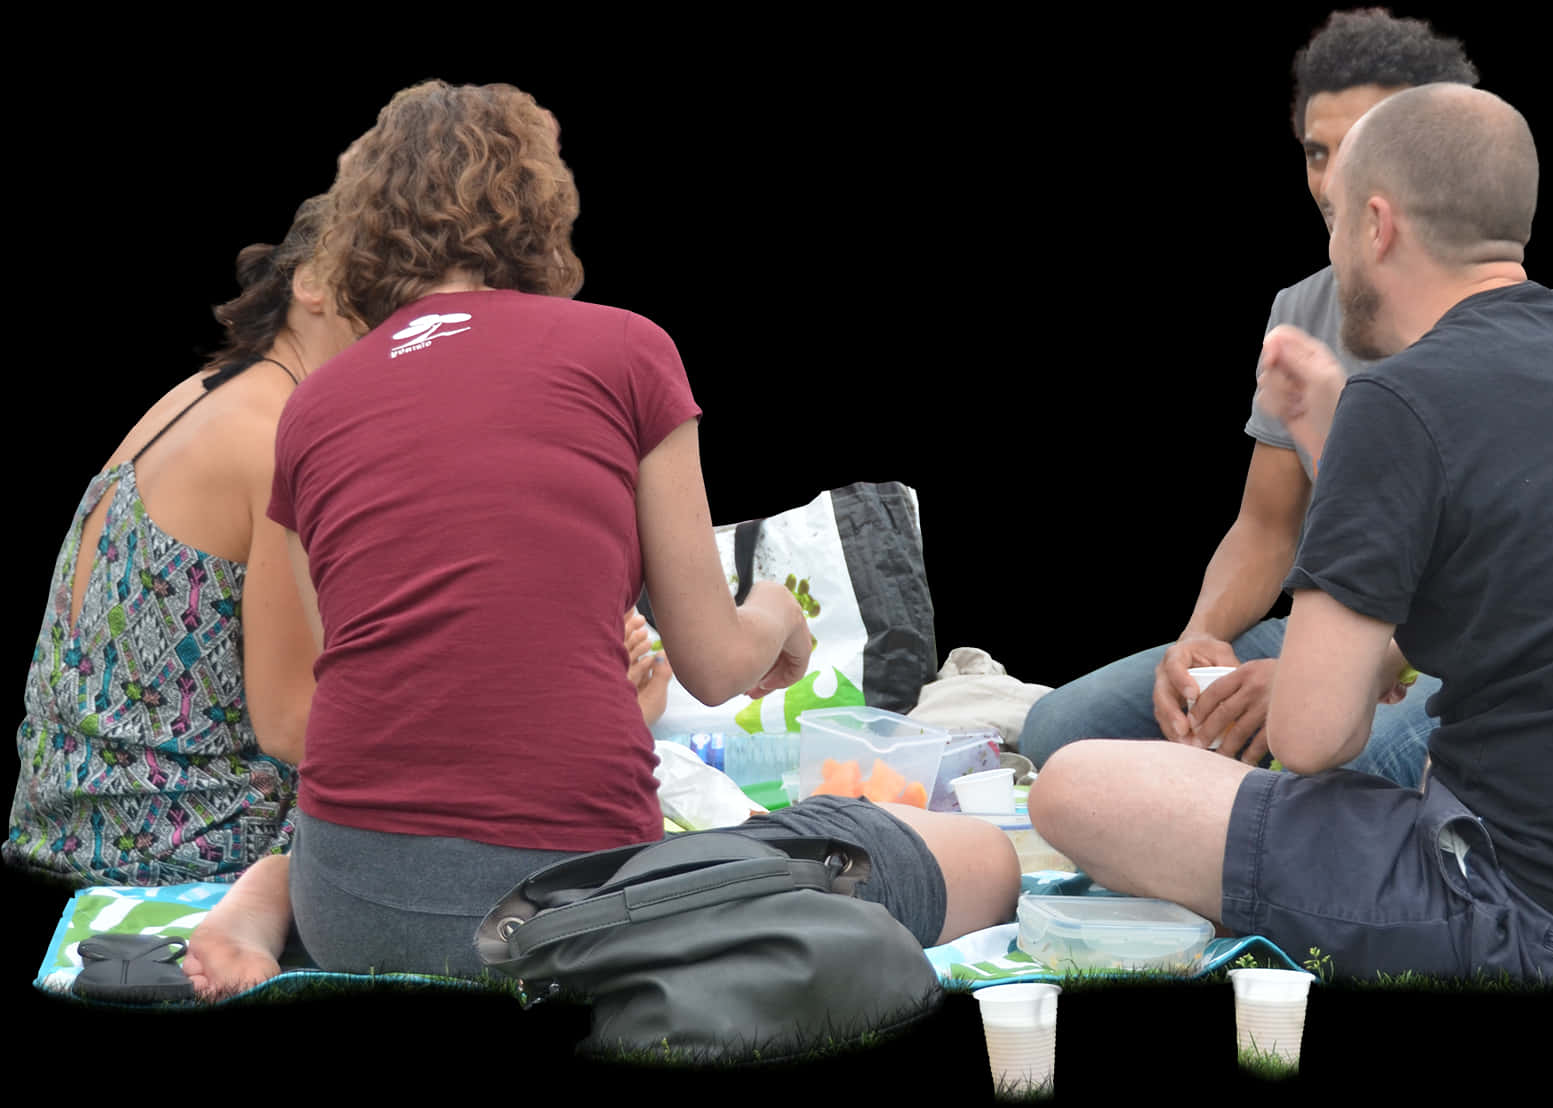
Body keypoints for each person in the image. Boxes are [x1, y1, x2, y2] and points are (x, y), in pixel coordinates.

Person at [184, 79, 1018, 998]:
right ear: (541, 214)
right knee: (984, 858)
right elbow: (711, 664)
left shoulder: (311, 408)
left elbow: (368, 670)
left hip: (353, 905)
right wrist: (774, 611)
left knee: (357, 833)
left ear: (362, 235)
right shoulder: (625, 351)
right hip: (573, 911)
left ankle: (260, 909)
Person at [1029, 84, 1553, 981]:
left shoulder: (1400, 397)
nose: (1328, 251)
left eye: (1334, 220)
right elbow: (1508, 574)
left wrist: (1349, 432)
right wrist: (1340, 431)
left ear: (1376, 226)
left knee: (1075, 783)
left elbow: (1311, 739)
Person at [1016, 9, 1477, 782]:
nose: (1331, 182)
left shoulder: (1490, 322)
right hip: (1319, 635)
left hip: (1440, 651)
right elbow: (1268, 526)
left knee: (1351, 778)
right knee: (1061, 728)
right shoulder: (1302, 308)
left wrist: (1330, 679)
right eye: (1316, 152)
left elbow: (1485, 583)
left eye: (1357, 149)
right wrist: (1197, 640)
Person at [4, 196, 351, 887]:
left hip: (76, 824)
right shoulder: (282, 436)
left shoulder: (204, 393)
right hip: (185, 844)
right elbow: (297, 727)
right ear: (312, 281)